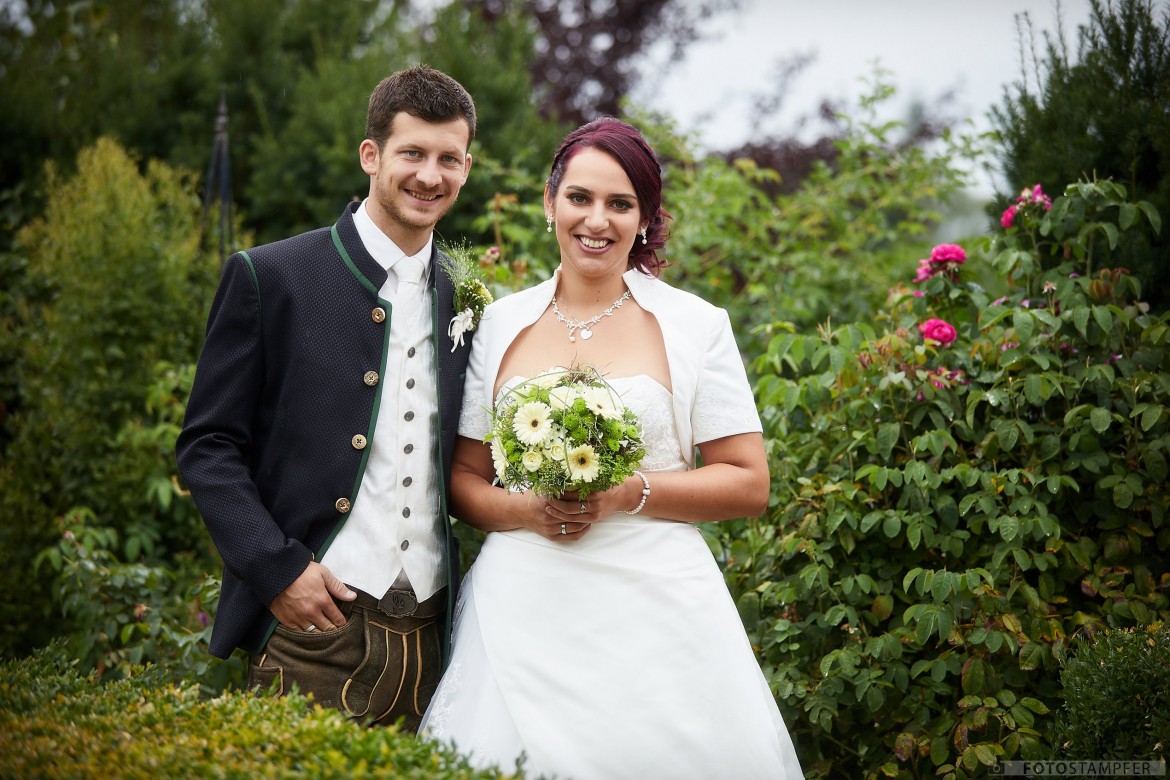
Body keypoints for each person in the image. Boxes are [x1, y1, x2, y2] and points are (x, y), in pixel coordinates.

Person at [420, 117, 804, 778]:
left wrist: (632, 492)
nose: (597, 219)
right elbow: (463, 478)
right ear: (550, 203)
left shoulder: (694, 326)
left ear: (646, 219)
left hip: (660, 611)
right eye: (580, 198)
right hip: (524, 607)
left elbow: (749, 482)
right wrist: (528, 511)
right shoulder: (501, 324)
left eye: (620, 204)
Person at [176, 65, 476, 732]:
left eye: (448, 158)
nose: (431, 175)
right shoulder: (269, 276)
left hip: (435, 643)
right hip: (313, 632)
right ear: (371, 156)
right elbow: (208, 446)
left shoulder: (464, 297)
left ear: (466, 166)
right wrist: (275, 568)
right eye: (413, 154)